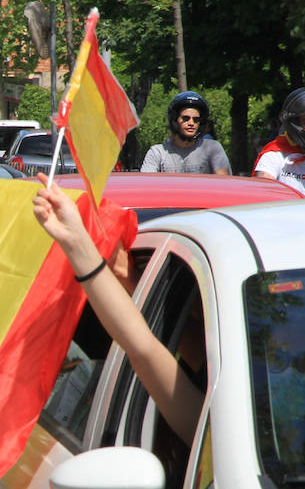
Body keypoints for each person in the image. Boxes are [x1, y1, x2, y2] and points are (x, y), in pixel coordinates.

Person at [32, 175, 204, 444]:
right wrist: (78, 243)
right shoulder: (223, 427)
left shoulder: (222, 435)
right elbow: (143, 347)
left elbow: (145, 347)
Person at [140, 91, 230, 175]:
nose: (191, 123)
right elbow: (146, 184)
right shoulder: (158, 153)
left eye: (196, 120)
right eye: (186, 119)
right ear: (175, 121)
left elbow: (224, 182)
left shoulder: (212, 149)